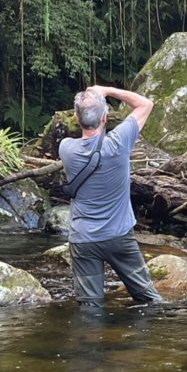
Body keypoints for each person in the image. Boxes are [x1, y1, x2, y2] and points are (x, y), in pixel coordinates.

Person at [59, 85, 162, 307]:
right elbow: (145, 104)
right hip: (119, 238)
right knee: (149, 300)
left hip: (83, 239)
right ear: (105, 116)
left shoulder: (66, 148)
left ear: (77, 119)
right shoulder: (118, 142)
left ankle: (91, 340)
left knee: (90, 308)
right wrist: (106, 90)